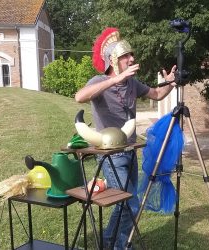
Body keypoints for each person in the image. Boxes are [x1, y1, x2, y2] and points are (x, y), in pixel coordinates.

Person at [75, 27, 176, 249]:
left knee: (125, 203)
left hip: (130, 151)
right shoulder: (98, 81)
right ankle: (120, 245)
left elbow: (156, 94)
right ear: (113, 60)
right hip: (110, 154)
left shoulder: (133, 83)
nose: (132, 59)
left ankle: (111, 241)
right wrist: (115, 79)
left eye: (131, 55)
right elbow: (79, 97)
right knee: (129, 202)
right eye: (125, 56)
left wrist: (169, 82)